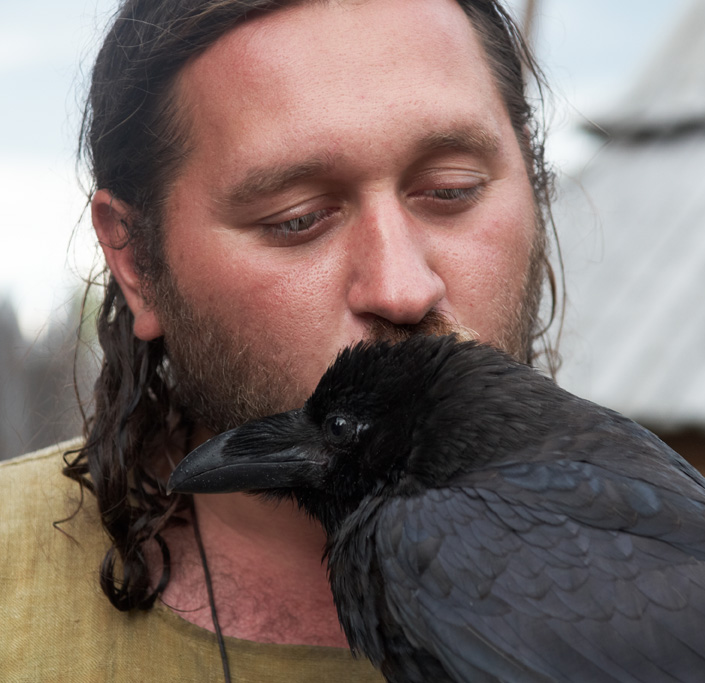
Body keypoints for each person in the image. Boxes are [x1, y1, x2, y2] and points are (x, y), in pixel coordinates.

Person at [0, 0, 559, 680]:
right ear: (136, 261)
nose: (403, 288)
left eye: (452, 189)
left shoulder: (689, 557)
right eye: (296, 220)